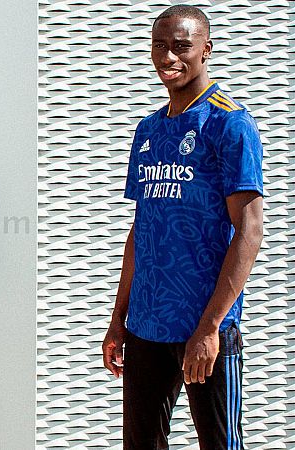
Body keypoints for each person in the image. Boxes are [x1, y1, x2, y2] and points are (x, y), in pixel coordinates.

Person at [101, 5, 263, 449]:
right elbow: (142, 229)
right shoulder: (149, 130)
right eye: (159, 46)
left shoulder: (229, 123)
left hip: (204, 326)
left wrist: (210, 328)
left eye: (181, 46)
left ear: (206, 50)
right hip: (147, 326)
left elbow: (250, 230)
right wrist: (118, 319)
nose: (168, 57)